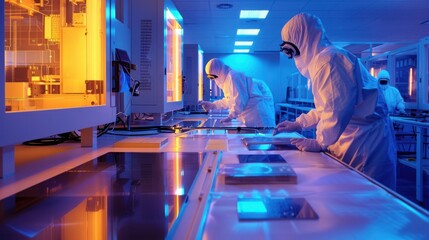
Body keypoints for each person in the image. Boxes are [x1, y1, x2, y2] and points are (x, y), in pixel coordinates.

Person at [274, 13, 397, 189]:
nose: (292, 57)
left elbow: (334, 111)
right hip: (355, 133)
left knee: (365, 195)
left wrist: (319, 142)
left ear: (304, 40)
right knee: (352, 194)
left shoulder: (328, 61)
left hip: (364, 140)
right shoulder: (325, 60)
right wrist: (298, 123)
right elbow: (326, 107)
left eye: (291, 51)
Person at [200, 58, 276, 128]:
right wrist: (213, 105)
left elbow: (239, 102)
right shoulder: (227, 81)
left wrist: (230, 117)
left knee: (263, 139)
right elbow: (229, 100)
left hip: (258, 116)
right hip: (251, 116)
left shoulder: (233, 77)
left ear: (218, 71)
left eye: (213, 77)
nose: (213, 80)